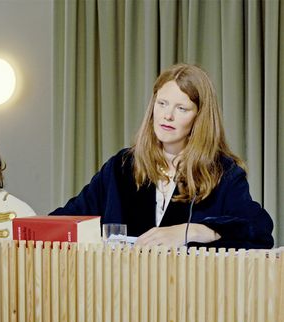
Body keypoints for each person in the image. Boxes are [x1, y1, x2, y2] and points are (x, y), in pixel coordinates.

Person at [51, 63, 274, 249]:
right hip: (124, 293)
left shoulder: (222, 172)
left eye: (181, 109)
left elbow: (259, 230)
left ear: (199, 118)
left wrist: (191, 231)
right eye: (162, 104)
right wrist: (20, 225)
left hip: (189, 296)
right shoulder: (121, 166)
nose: (167, 116)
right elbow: (66, 219)